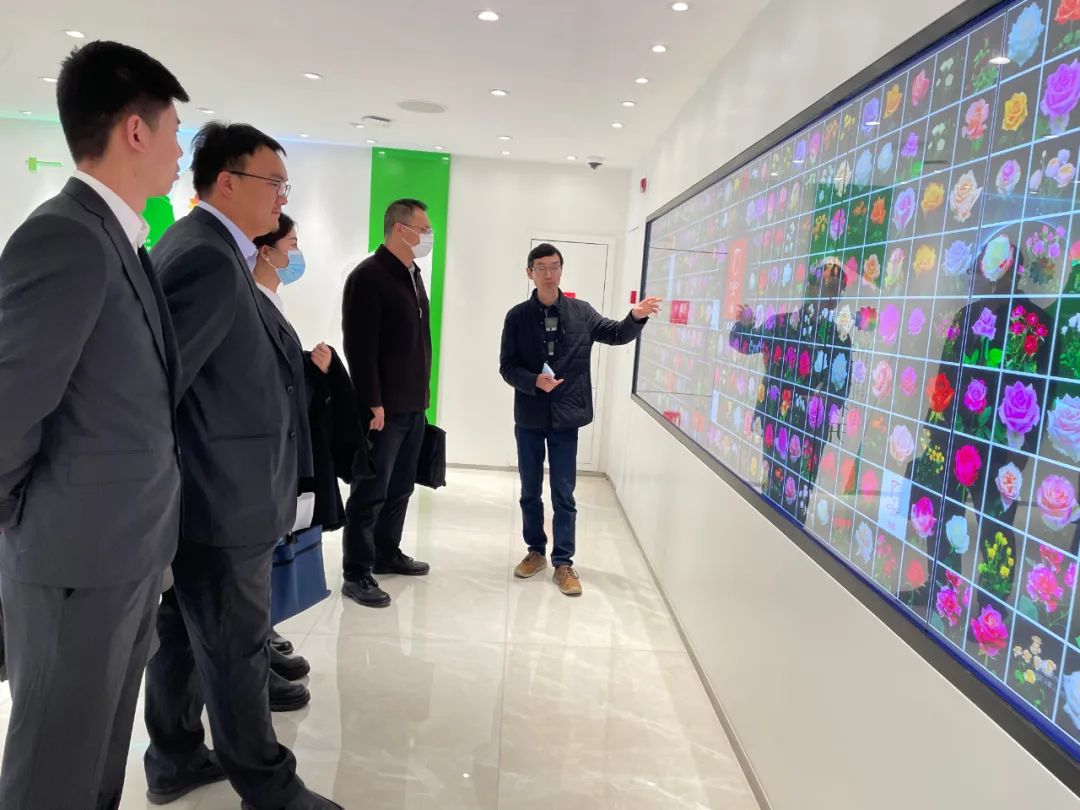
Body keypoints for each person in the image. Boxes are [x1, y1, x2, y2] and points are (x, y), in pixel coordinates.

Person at [0, 41, 187, 809]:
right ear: (135, 131)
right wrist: (32, 528)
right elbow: (9, 409)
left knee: (97, 771)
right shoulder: (67, 235)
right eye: (174, 131)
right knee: (53, 776)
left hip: (125, 557)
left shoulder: (120, 238)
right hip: (74, 565)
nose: (180, 151)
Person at [143, 123, 339, 810]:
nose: (284, 197)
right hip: (221, 501)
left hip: (212, 497)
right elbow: (157, 388)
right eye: (275, 183)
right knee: (236, 650)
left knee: (182, 637)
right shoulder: (205, 255)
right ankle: (270, 787)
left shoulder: (214, 249)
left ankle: (174, 758)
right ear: (226, 182)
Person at [500, 243, 661, 595]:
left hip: (566, 415)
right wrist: (533, 381)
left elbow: (616, 334)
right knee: (529, 490)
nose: (548, 273)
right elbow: (507, 366)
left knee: (564, 492)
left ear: (561, 270)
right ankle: (535, 551)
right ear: (529, 273)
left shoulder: (581, 312)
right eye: (541, 267)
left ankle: (563, 562)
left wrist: (636, 317)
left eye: (554, 266)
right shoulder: (517, 317)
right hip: (529, 415)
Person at [340, 198, 434, 608]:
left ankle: (386, 552)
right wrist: (372, 402)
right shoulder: (368, 277)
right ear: (400, 229)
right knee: (370, 492)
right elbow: (359, 347)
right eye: (423, 229)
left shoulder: (412, 275)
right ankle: (356, 573)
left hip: (413, 406)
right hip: (383, 410)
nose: (428, 236)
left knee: (400, 488)